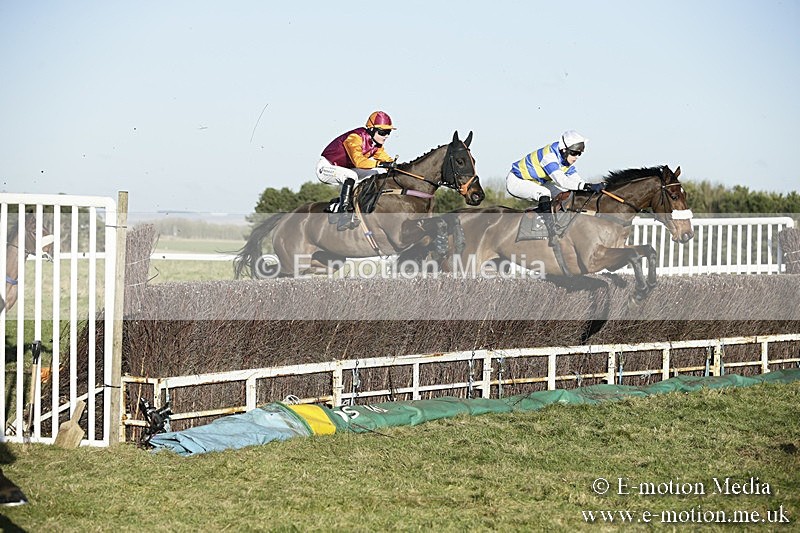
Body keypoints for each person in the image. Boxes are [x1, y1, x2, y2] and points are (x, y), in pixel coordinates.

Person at [506, 130, 605, 244]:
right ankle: (550, 229)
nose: (576, 157)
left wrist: (594, 188)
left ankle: (551, 218)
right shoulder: (549, 157)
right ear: (564, 150)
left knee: (566, 194)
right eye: (574, 153)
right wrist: (586, 186)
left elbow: (577, 181)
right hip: (517, 180)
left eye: (579, 154)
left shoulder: (565, 160)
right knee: (544, 193)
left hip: (538, 181)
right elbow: (562, 181)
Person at [317, 111, 397, 229]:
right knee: (351, 176)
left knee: (374, 174)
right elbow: (359, 162)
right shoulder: (354, 138)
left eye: (388, 132)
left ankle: (356, 204)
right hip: (326, 167)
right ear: (371, 129)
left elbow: (387, 161)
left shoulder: (376, 146)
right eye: (383, 132)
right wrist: (380, 163)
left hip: (344, 169)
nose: (386, 136)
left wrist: (397, 167)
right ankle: (342, 214)